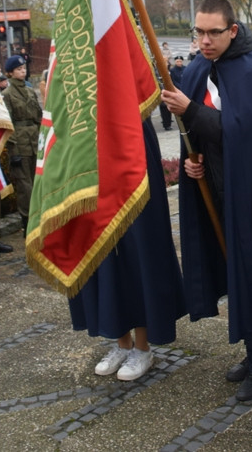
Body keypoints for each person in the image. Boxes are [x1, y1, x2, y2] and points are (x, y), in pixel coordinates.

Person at [160, 0, 252, 402]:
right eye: (199, 32)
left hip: (250, 193)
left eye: (214, 32)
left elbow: (246, 135)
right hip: (214, 187)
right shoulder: (196, 69)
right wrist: (194, 165)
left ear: (233, 29)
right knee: (232, 273)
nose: (205, 40)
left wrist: (191, 109)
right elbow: (197, 136)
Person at [73, 120, 187, 382]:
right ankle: (121, 342)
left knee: (139, 249)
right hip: (89, 141)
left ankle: (143, 347)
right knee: (100, 250)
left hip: (129, 135)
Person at [2, 54, 42, 226]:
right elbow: (7, 123)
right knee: (25, 185)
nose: (23, 71)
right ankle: (27, 220)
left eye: (24, 68)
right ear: (10, 73)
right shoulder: (7, 94)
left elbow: (38, 116)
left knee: (37, 181)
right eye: (18, 69)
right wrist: (14, 150)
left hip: (33, 138)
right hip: (19, 142)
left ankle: (39, 216)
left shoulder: (30, 90)